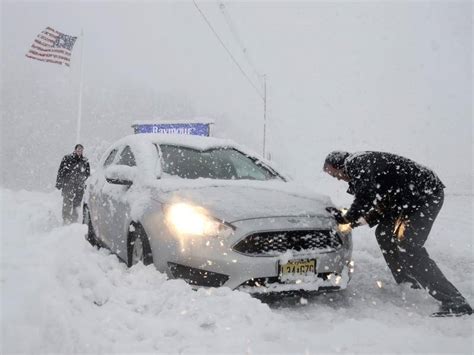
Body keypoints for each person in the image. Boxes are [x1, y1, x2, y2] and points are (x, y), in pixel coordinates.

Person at [323, 150, 472, 317]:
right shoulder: (366, 167)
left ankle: (455, 302)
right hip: (406, 199)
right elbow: (383, 203)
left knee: (409, 247)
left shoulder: (357, 164)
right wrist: (355, 221)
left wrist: (348, 218)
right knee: (384, 233)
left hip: (425, 196)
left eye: (335, 175)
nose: (338, 179)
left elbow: (366, 196)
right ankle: (408, 283)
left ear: (339, 165)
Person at [56, 144, 90, 224]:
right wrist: (59, 183)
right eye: (78, 149)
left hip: (79, 186)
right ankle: (66, 218)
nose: (79, 151)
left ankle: (74, 220)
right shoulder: (67, 158)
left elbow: (87, 173)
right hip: (68, 185)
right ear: (75, 150)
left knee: (77, 203)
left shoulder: (85, 161)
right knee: (67, 202)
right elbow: (61, 171)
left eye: (81, 150)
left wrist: (85, 183)